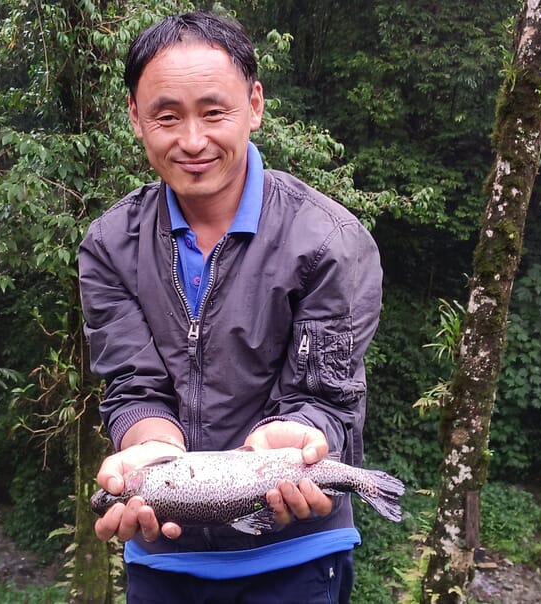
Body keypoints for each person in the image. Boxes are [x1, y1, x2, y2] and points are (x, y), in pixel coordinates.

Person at [77, 10, 382, 603]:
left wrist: (296, 437)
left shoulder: (329, 241)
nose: (192, 141)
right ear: (135, 119)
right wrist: (150, 450)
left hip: (300, 554)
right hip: (164, 557)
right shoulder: (111, 246)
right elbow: (133, 387)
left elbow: (325, 397)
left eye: (214, 112)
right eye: (167, 116)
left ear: (255, 105)